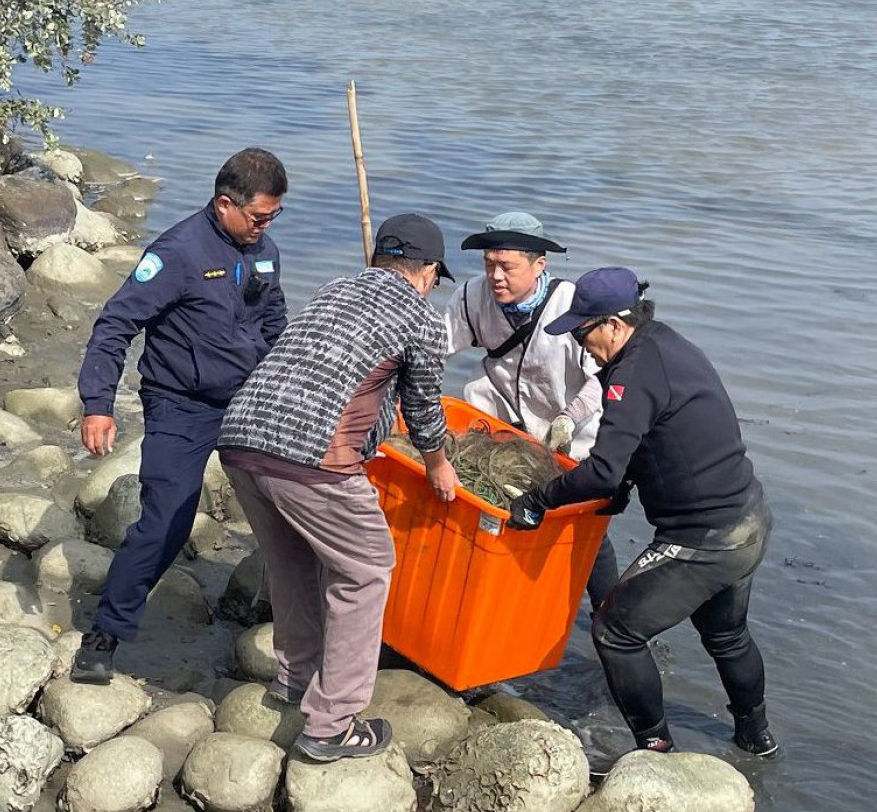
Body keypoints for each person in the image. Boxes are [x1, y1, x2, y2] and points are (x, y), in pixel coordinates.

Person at [507, 267, 777, 756]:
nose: (581, 345)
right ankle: (756, 741)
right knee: (726, 635)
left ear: (613, 323)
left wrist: (538, 500)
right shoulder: (664, 344)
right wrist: (627, 486)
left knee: (615, 630)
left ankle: (654, 752)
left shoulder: (631, 373)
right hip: (747, 515)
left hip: (705, 539)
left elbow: (602, 471)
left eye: (583, 332)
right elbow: (661, 440)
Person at [218, 213, 459, 762]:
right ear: (427, 273)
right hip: (311, 459)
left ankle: (295, 679)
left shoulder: (335, 288)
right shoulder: (421, 319)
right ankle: (332, 724)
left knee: (294, 562)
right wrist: (438, 465)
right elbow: (423, 409)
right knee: (366, 570)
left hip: (240, 437)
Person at [70, 147, 289, 683]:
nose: (266, 227)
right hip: (180, 404)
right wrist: (97, 404)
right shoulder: (178, 253)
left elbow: (275, 323)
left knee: (295, 498)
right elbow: (115, 325)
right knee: (165, 521)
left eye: (274, 218)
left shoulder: (264, 250)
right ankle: (105, 634)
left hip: (246, 399)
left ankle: (287, 623)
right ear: (224, 205)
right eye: (259, 217)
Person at [443, 211, 617, 604]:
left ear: (540, 265)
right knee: (500, 512)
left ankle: (608, 609)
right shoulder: (472, 296)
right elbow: (435, 350)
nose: (496, 276)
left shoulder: (572, 306)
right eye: (489, 265)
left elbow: (601, 378)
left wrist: (568, 418)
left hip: (571, 436)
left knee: (581, 528)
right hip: (500, 425)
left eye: (507, 266)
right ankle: (503, 597)